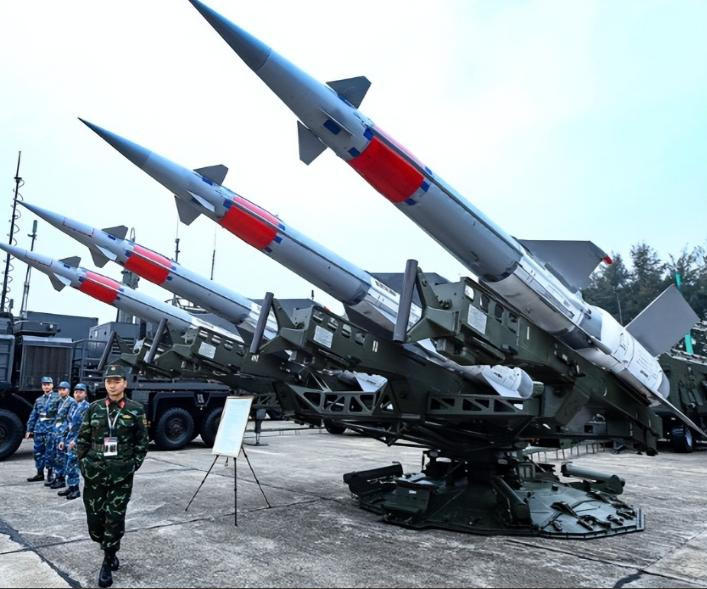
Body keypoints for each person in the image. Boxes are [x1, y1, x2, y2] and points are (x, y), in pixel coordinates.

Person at [76, 363, 148, 588]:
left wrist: (132, 465)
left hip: (121, 474)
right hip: (94, 471)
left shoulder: (136, 410)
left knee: (114, 517)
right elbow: (83, 438)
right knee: (95, 519)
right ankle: (104, 543)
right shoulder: (95, 408)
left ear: (124, 383)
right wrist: (83, 464)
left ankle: (108, 558)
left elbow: (142, 442)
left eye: (117, 381)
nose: (112, 385)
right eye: (109, 381)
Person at [25, 376, 60, 482]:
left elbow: (61, 414)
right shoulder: (39, 400)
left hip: (51, 430)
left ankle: (50, 474)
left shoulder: (57, 398)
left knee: (50, 452)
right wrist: (29, 429)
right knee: (38, 452)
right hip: (39, 429)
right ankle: (39, 473)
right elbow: (34, 415)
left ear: (52, 385)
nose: (46, 386)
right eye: (44, 385)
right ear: (42, 386)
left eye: (48, 384)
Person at [58, 383, 89, 500]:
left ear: (85, 394)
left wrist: (75, 441)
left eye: (80, 392)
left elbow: (85, 427)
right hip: (68, 439)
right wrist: (62, 439)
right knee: (67, 463)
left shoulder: (87, 408)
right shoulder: (73, 405)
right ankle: (70, 487)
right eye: (76, 392)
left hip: (77, 441)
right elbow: (68, 423)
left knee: (72, 464)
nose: (77, 394)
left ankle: (75, 489)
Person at [49, 381, 76, 490]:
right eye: (59, 390)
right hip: (56, 431)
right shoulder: (59, 401)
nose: (61, 391)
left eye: (63, 389)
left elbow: (70, 420)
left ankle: (61, 479)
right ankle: (57, 476)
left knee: (61, 456)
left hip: (63, 432)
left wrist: (64, 435)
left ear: (68, 390)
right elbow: (52, 414)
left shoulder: (71, 402)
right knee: (55, 456)